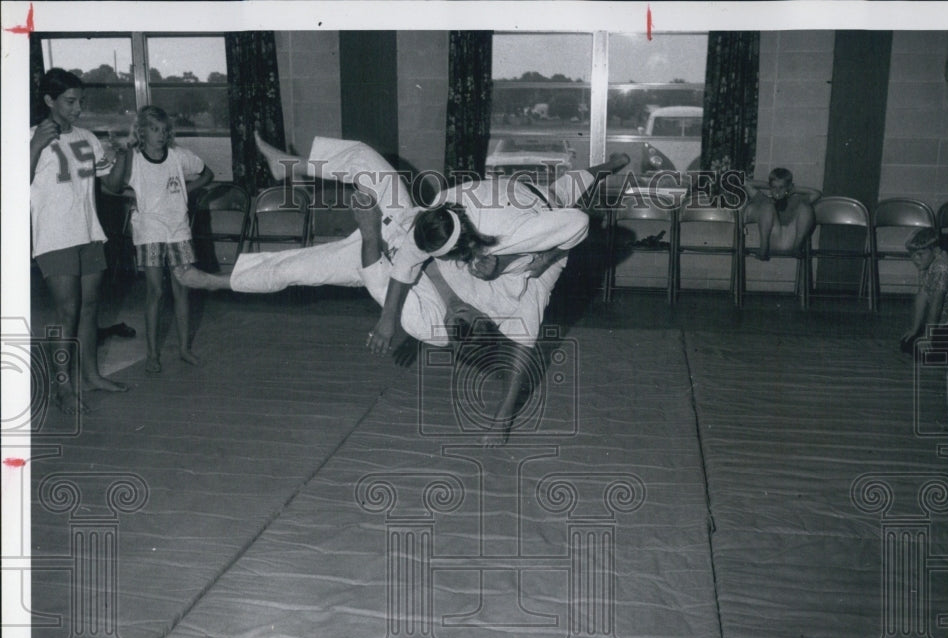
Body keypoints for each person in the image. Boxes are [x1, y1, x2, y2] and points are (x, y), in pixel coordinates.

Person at [178, 134, 629, 443]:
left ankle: (219, 280)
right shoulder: (507, 256)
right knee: (364, 158)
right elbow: (574, 204)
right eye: (466, 317)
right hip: (448, 220)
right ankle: (288, 166)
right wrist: (603, 169)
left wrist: (499, 423)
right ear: (481, 318)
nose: (458, 315)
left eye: (456, 324)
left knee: (302, 266)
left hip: (388, 250)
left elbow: (396, 270)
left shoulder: (447, 319)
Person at [29, 68, 128, 414]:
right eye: (70, 101)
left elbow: (112, 186)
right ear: (49, 101)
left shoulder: (87, 137)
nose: (77, 108)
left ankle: (91, 376)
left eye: (80, 102)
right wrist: (36, 145)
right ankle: (62, 388)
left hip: (89, 232)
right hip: (54, 237)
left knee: (89, 309)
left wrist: (123, 154)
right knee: (66, 311)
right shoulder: (31, 136)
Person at [105, 106, 214, 373]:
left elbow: (207, 174)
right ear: (141, 132)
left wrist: (186, 191)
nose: (160, 135)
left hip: (178, 231)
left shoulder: (179, 157)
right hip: (150, 232)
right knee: (155, 291)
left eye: (164, 130)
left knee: (182, 289)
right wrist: (133, 192)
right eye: (154, 129)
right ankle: (152, 354)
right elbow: (113, 187)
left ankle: (185, 349)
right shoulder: (134, 159)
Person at [900, 228, 948, 354]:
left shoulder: (942, 268)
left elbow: (937, 303)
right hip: (946, 323)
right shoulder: (930, 262)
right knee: (908, 342)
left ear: (935, 251)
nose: (915, 259)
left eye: (920, 254)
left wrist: (928, 337)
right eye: (912, 254)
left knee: (917, 349)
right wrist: (915, 328)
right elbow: (922, 295)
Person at [748, 167, 820, 261]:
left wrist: (793, 189)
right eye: (774, 187)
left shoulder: (795, 200)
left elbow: (817, 194)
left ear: (788, 188)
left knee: (805, 207)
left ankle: (797, 248)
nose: (777, 191)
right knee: (767, 206)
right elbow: (747, 184)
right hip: (771, 240)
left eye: (781, 187)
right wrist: (769, 185)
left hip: (792, 240)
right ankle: (763, 248)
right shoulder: (764, 199)